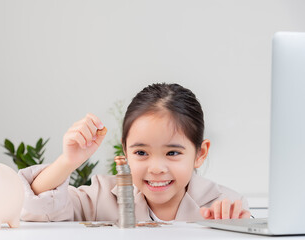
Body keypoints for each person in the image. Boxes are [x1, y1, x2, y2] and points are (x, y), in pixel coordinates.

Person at [19, 83, 250, 223]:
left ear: (200, 153)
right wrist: (68, 161)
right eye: (141, 152)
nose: (156, 168)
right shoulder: (102, 197)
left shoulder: (224, 205)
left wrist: (233, 230)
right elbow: (33, 207)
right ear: (125, 151)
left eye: (172, 153)